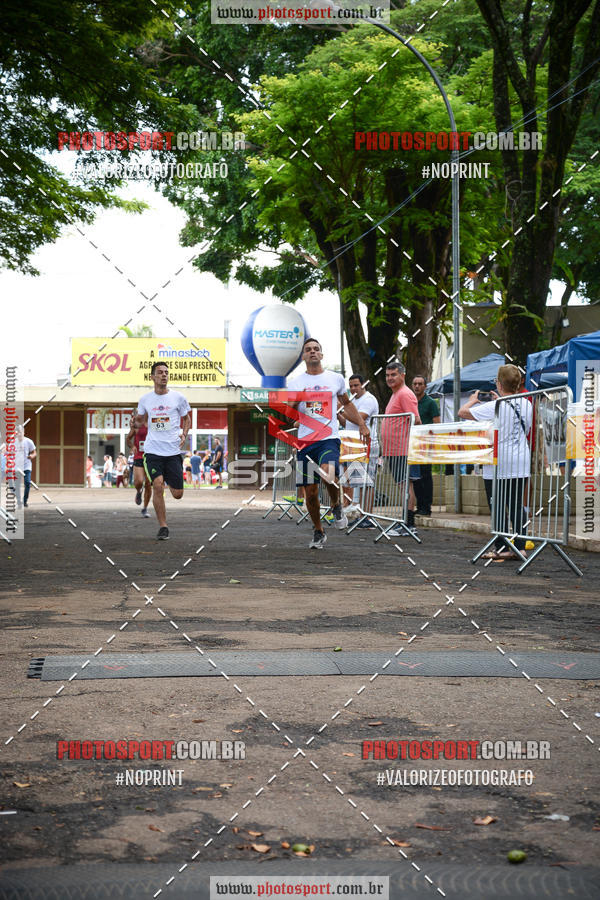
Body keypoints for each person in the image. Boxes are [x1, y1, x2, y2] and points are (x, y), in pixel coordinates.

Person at [287, 338, 370, 549]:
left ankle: (336, 505)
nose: (313, 352)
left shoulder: (335, 379)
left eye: (316, 349)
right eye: (308, 350)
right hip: (306, 442)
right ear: (303, 356)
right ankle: (318, 530)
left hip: (328, 438)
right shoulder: (296, 382)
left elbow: (347, 404)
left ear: (321, 355)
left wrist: (361, 424)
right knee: (311, 492)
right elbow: (289, 413)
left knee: (329, 473)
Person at [459, 363, 533, 560]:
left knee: (497, 504)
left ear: (499, 384)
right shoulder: (527, 403)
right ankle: (520, 546)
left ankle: (501, 546)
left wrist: (473, 400)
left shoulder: (495, 405)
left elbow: (462, 412)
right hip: (521, 459)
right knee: (517, 505)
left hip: (499, 462)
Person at [137, 362, 192, 540]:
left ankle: (169, 478)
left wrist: (184, 434)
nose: (164, 375)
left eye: (166, 372)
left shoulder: (178, 398)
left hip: (173, 452)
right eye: (160, 372)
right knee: (157, 485)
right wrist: (135, 423)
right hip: (152, 451)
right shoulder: (145, 399)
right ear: (152, 377)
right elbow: (139, 420)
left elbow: (187, 419)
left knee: (178, 494)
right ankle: (163, 526)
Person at [380, 362, 421, 533]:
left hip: (403, 450)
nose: (390, 378)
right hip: (394, 450)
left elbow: (416, 420)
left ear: (403, 375)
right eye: (388, 375)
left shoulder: (404, 394)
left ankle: (408, 524)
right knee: (403, 485)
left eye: (393, 375)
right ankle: (406, 522)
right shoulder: (396, 394)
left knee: (406, 486)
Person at [338, 373, 379, 526]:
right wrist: (338, 414)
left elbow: (359, 418)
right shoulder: (353, 400)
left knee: (367, 482)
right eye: (351, 386)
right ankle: (361, 515)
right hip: (354, 446)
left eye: (356, 385)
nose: (354, 388)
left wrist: (341, 410)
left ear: (363, 385)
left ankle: (368, 517)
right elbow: (346, 422)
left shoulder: (368, 399)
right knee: (358, 482)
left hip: (367, 445)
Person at [411, 376, 440, 516]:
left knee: (425, 476)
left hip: (426, 444)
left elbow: (437, 424)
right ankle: (420, 505)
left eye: (420, 384)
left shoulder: (430, 403)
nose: (417, 386)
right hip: (413, 445)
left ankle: (426, 507)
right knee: (415, 477)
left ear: (425, 386)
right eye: (415, 384)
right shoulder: (411, 401)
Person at [126, 414, 152, 517]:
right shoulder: (137, 423)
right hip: (139, 457)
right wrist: (132, 446)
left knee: (149, 485)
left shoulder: (155, 422)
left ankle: (145, 508)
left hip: (151, 457)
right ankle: (139, 490)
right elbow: (128, 438)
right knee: (139, 482)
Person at [14, 426, 36, 508]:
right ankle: (19, 501)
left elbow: (34, 453)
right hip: (17, 467)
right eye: (18, 432)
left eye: (21, 432)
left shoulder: (28, 441)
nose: (19, 434)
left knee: (27, 483)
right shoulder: (13, 442)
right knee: (17, 485)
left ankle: (25, 500)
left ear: (24, 432)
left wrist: (31, 456)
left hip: (27, 466)